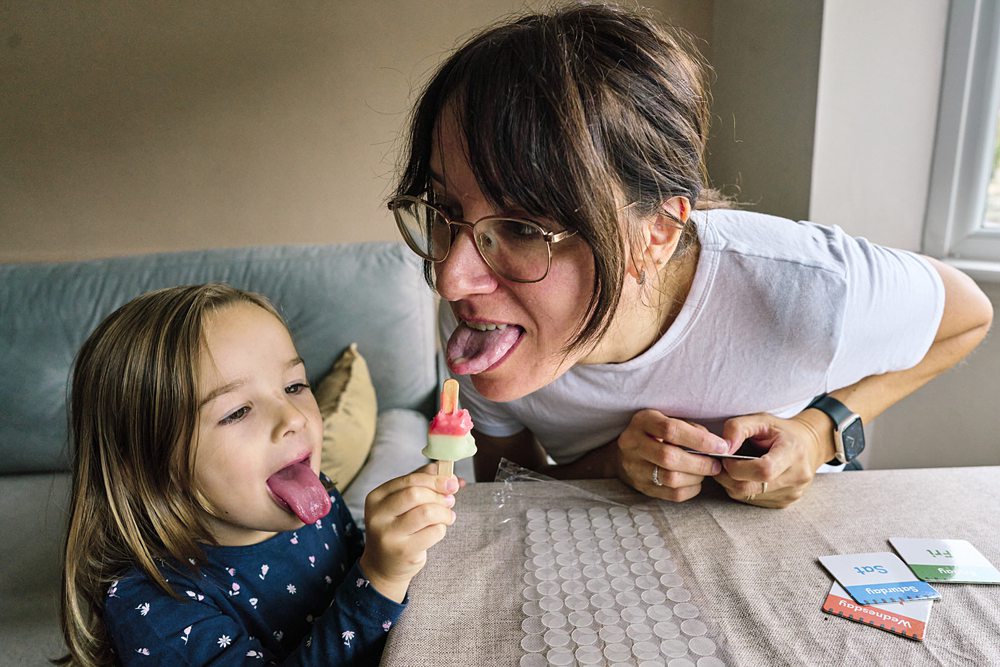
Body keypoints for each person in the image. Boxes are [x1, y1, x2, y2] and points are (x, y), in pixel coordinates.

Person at [388, 3, 993, 508]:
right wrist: (609, 465)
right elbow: (508, 489)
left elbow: (968, 314)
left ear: (656, 231)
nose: (451, 280)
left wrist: (818, 431)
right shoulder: (482, 306)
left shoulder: (808, 287)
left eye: (520, 227)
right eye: (444, 212)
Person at [58, 284, 458, 666]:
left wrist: (395, 546)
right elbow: (368, 588)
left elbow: (361, 584)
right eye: (237, 411)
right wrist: (379, 577)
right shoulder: (153, 606)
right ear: (146, 462)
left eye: (295, 385)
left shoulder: (315, 496)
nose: (292, 417)